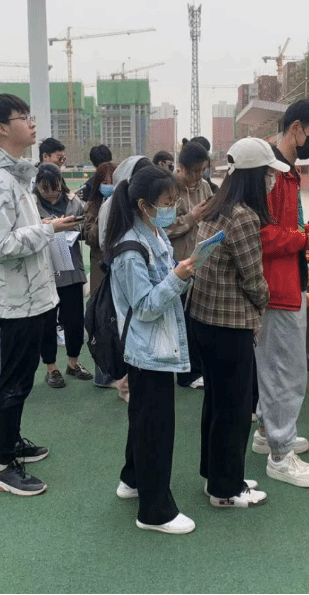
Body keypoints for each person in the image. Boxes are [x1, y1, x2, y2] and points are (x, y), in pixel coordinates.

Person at [0, 94, 78, 496]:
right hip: (14, 300)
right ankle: (3, 464)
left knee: (21, 378)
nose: (32, 123)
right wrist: (49, 230)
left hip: (28, 296)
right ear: (2, 128)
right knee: (13, 382)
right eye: (23, 117)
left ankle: (12, 443)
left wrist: (46, 228)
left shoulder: (14, 177)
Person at [189, 137, 287, 509]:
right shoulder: (243, 216)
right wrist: (262, 306)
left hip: (205, 319)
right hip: (229, 325)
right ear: (255, 176)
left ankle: (216, 476)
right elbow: (253, 278)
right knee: (234, 408)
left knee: (217, 403)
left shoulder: (217, 207)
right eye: (268, 174)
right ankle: (226, 489)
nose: (272, 181)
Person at [106, 165, 196, 534]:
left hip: (155, 345)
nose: (172, 208)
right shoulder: (131, 249)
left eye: (175, 201)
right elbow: (144, 306)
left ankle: (132, 479)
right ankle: (155, 511)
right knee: (156, 427)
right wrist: (178, 277)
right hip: (148, 349)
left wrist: (179, 272)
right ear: (144, 205)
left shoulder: (153, 234)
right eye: (167, 202)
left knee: (144, 419)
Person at [255, 98, 309, 489]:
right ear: (297, 128)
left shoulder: (286, 172)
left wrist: (307, 235)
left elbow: (279, 229)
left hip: (286, 282)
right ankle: (281, 454)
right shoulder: (269, 173)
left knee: (277, 368)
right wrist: (305, 240)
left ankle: (268, 433)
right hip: (276, 288)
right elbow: (260, 234)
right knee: (285, 372)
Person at [96, 155, 152, 403]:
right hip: (121, 274)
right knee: (118, 326)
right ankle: (116, 378)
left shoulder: (144, 205)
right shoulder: (112, 204)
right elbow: (104, 240)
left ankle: (126, 379)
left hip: (137, 272)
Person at [32, 163, 91, 388]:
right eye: (45, 189)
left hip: (70, 268)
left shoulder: (74, 202)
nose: (51, 194)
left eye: (55, 188)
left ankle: (73, 362)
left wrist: (75, 226)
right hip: (44, 272)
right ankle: (51, 367)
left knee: (75, 320)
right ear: (37, 185)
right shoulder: (31, 205)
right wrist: (44, 227)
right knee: (47, 322)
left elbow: (86, 231)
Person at [166, 140, 212, 390]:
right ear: (181, 168)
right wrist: (190, 218)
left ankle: (198, 370)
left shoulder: (204, 186)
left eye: (203, 170)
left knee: (197, 321)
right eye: (194, 171)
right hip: (176, 265)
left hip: (200, 263)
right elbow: (162, 228)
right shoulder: (168, 187)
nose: (198, 176)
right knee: (181, 322)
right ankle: (185, 374)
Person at [83, 161, 117, 296]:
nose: (109, 186)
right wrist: (103, 214)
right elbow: (91, 237)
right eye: (105, 182)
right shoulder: (92, 205)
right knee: (100, 300)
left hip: (118, 260)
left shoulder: (124, 204)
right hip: (99, 262)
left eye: (112, 182)